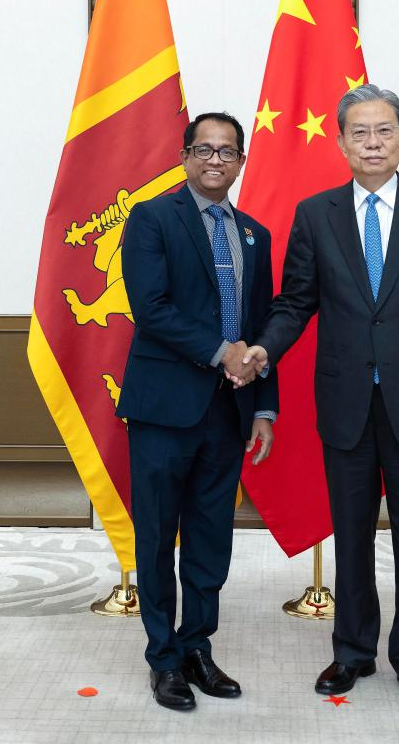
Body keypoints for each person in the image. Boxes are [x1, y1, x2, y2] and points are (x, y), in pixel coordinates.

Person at [243, 85, 399, 711]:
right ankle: (351, 651)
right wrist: (264, 348)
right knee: (350, 533)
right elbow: (296, 301)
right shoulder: (316, 214)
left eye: (384, 131)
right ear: (341, 142)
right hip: (345, 398)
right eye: (360, 133)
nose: (373, 143)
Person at [117, 112, 278, 712]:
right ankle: (163, 659)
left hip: (229, 410)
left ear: (241, 162)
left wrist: (264, 406)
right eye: (204, 149)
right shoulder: (152, 218)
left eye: (226, 151)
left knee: (211, 538)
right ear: (185, 156)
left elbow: (262, 325)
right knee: (158, 535)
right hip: (164, 408)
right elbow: (151, 308)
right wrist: (221, 352)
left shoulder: (255, 234)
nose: (215, 160)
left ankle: (196, 647)